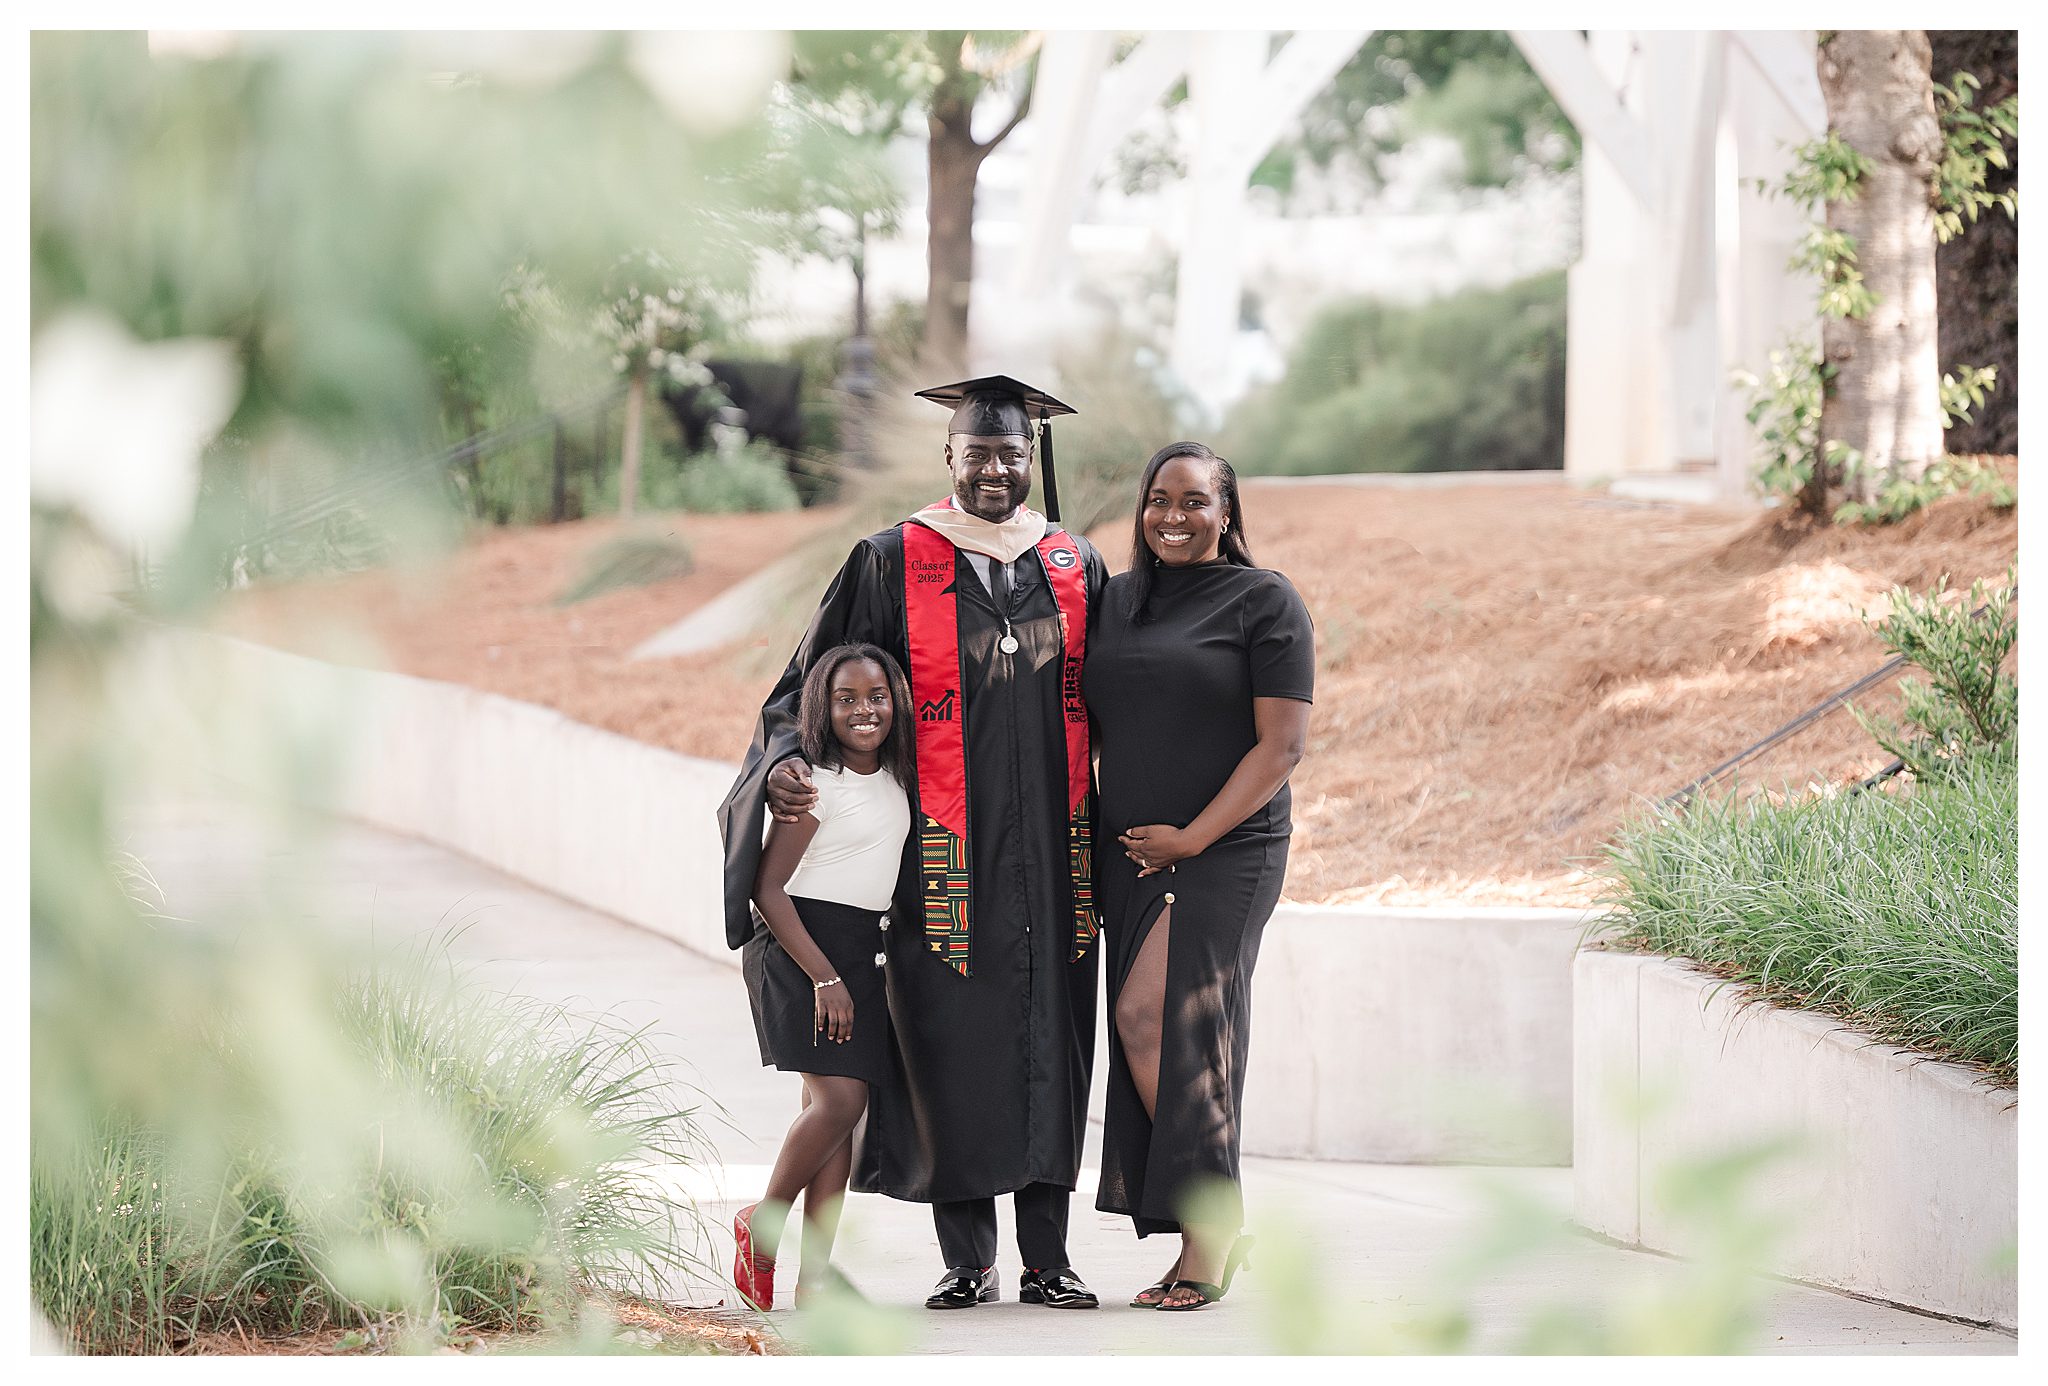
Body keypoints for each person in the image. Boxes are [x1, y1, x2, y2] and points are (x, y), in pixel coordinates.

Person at [717, 375, 1110, 1311]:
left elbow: (1125, 697)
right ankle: (969, 1259)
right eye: (977, 453)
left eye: (1012, 454)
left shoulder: (1074, 563)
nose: (995, 471)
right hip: (943, 860)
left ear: (1031, 461)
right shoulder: (894, 558)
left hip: (1057, 858)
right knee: (954, 1046)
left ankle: (1049, 1258)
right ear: (950, 458)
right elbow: (808, 683)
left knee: (1054, 1044)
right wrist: (782, 764)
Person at [1083, 441, 1314, 1311]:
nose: (1172, 517)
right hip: (1131, 852)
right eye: (1156, 500)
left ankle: (1210, 1231)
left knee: (1167, 1019)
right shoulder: (1117, 599)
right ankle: (1210, 1218)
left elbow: (1282, 746)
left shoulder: (1265, 601)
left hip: (1227, 850)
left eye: (1193, 501)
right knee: (1148, 1028)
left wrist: (1193, 837)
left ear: (1227, 513)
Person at [733, 643, 914, 1311]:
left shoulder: (894, 776)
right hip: (803, 949)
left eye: (876, 696)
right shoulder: (812, 783)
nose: (864, 710)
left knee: (837, 1117)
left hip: (861, 950)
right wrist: (822, 977)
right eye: (846, 699)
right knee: (840, 1105)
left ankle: (814, 1279)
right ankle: (763, 1223)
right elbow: (768, 888)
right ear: (822, 708)